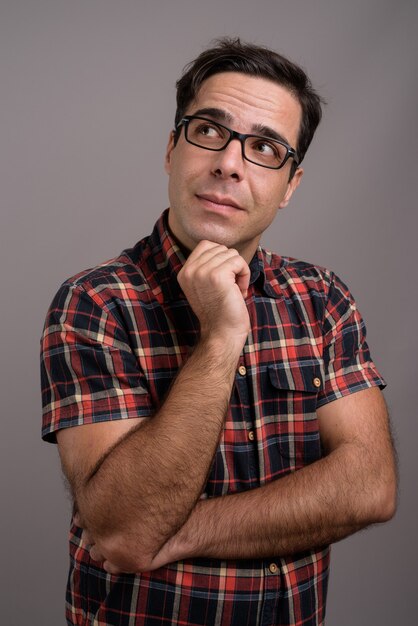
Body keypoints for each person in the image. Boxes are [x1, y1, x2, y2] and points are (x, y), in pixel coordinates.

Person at [40, 38, 397, 626]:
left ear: (290, 186)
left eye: (264, 147)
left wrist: (179, 534)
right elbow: (127, 531)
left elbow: (370, 487)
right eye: (209, 130)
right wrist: (221, 337)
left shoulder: (322, 298)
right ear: (171, 150)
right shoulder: (95, 302)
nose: (229, 163)